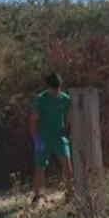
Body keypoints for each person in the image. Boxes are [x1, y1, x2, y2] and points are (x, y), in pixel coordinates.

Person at [29, 72, 73, 204]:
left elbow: (70, 115)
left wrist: (68, 131)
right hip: (43, 138)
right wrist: (35, 138)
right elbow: (33, 120)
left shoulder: (65, 98)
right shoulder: (40, 99)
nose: (56, 91)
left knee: (66, 163)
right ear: (48, 87)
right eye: (53, 88)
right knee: (40, 167)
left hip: (59, 137)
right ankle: (38, 195)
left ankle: (70, 193)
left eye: (58, 88)